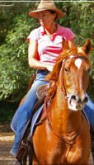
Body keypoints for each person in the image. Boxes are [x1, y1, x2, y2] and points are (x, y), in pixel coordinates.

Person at [10, 0, 94, 159]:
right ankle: (18, 150)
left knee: (91, 109)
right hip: (44, 77)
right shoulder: (35, 34)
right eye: (38, 15)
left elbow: (73, 55)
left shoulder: (67, 33)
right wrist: (48, 66)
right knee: (25, 108)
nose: (40, 18)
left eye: (44, 15)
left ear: (54, 15)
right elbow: (31, 61)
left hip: (68, 77)